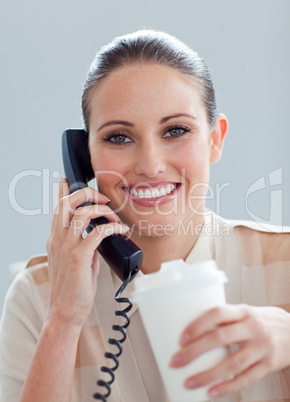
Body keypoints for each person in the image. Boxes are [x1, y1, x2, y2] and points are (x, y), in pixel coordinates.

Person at [0, 29, 290, 402]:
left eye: (176, 130)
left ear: (215, 139)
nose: (151, 166)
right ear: (84, 158)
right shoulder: (38, 297)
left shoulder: (284, 265)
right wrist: (62, 321)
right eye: (119, 137)